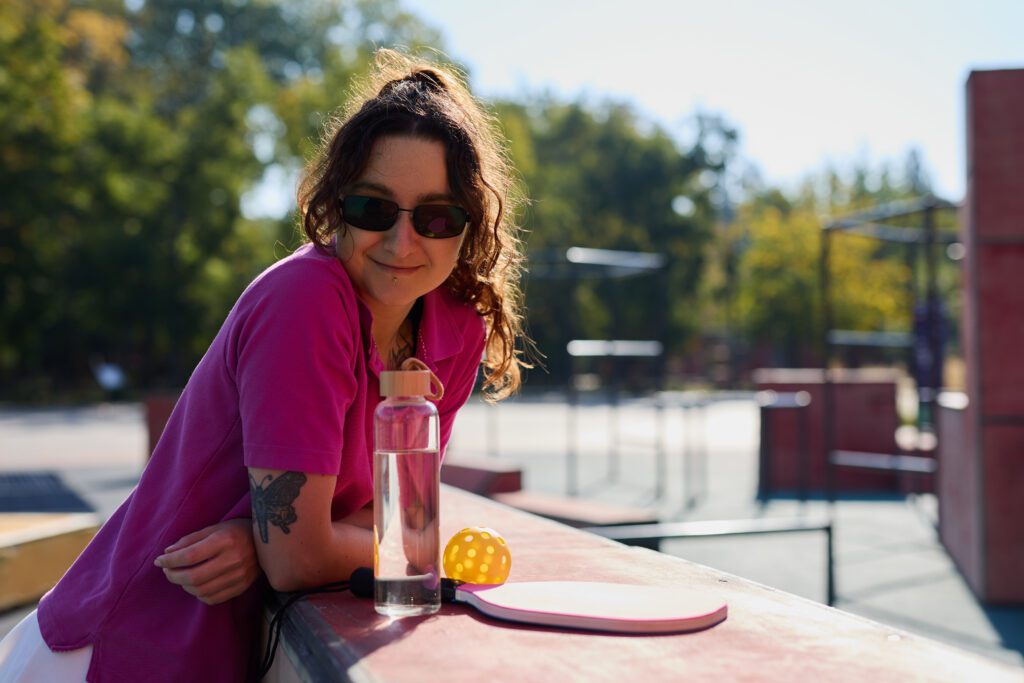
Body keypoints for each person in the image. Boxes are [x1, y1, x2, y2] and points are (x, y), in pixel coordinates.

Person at [0, 49, 529, 682]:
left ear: (467, 228)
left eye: (437, 217)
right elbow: (347, 549)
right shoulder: (305, 301)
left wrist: (270, 539)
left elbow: (381, 520)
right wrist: (408, 548)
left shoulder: (455, 327)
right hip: (123, 649)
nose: (401, 242)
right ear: (337, 204)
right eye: (373, 209)